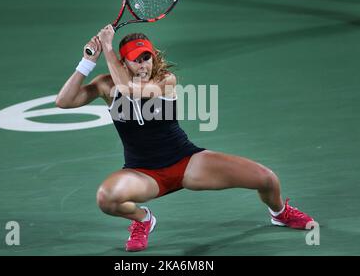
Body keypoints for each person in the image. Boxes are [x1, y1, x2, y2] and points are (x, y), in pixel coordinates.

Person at [56, 24, 314, 252]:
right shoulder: (106, 85)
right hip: (143, 174)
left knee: (267, 179)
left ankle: (279, 213)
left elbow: (131, 91)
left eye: (147, 57)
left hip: (187, 163)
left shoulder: (165, 80)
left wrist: (109, 48)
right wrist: (87, 62)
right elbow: (64, 101)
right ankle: (143, 220)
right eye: (136, 59)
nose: (144, 64)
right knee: (106, 198)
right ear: (123, 64)